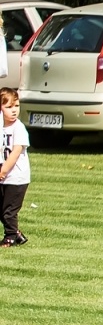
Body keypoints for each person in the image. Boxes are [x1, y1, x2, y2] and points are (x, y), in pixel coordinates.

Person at [0, 88, 29, 247]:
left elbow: (16, 152)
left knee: (9, 211)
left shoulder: (19, 128)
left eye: (16, 106)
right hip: (3, 176)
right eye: (9, 107)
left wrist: (2, 172)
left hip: (17, 177)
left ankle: (10, 237)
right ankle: (17, 233)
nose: (14, 111)